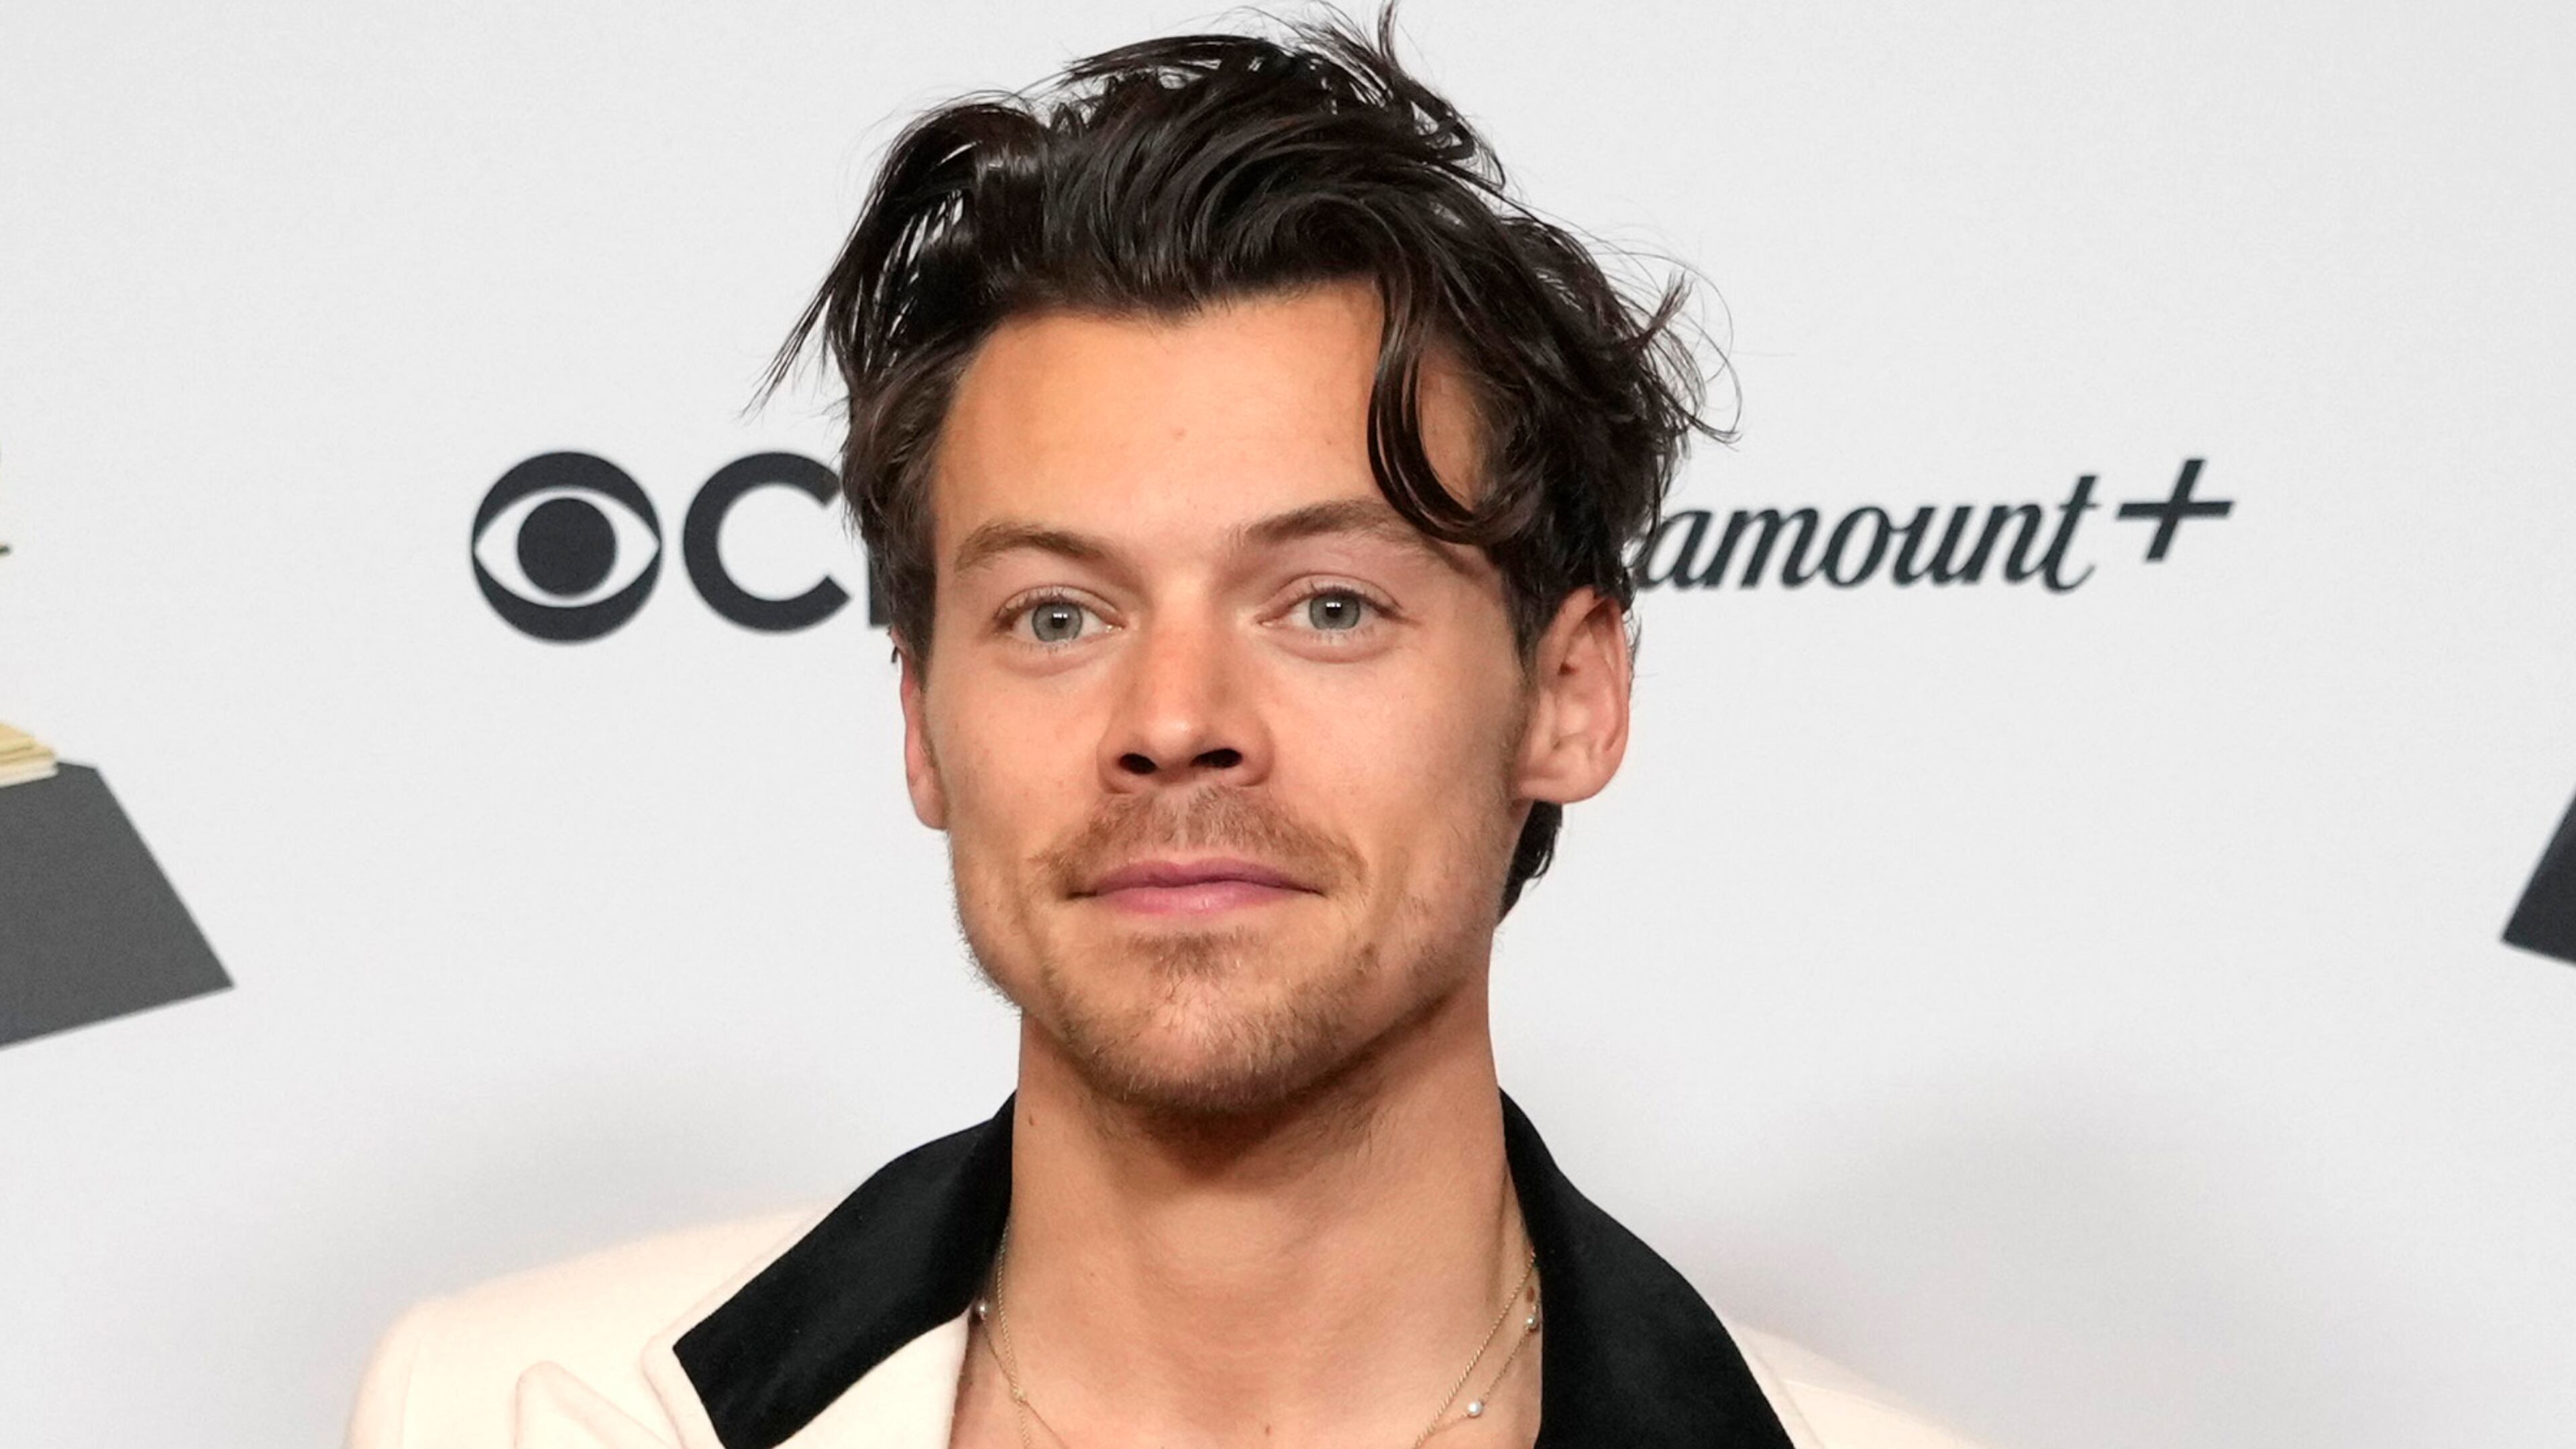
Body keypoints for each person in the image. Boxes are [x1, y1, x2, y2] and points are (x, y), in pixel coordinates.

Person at [349, 11, 1992, 1448]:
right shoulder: (516, 1414)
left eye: (1327, 605)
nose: (1176, 723)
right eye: (1059, 616)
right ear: (921, 720)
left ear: (1569, 697)